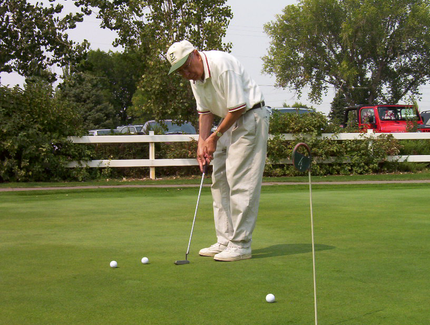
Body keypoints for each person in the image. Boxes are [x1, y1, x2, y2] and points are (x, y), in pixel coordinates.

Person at [166, 40, 269, 262]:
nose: (185, 73)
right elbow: (205, 112)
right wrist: (201, 143)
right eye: (180, 71)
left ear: (195, 54)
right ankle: (225, 240)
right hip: (229, 120)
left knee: (239, 178)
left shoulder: (222, 65)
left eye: (186, 66)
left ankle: (241, 244)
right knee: (219, 178)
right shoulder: (195, 79)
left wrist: (215, 137)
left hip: (250, 116)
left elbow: (238, 107)